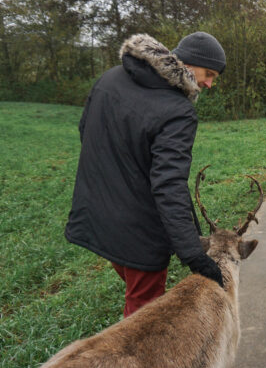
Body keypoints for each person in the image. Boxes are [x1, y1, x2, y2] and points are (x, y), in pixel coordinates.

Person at [65, 32, 226, 317]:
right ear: (188, 63)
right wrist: (194, 256)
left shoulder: (110, 78)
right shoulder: (178, 111)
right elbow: (169, 186)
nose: (209, 84)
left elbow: (86, 132)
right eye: (209, 73)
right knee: (144, 316)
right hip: (138, 231)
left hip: (98, 215)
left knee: (135, 293)